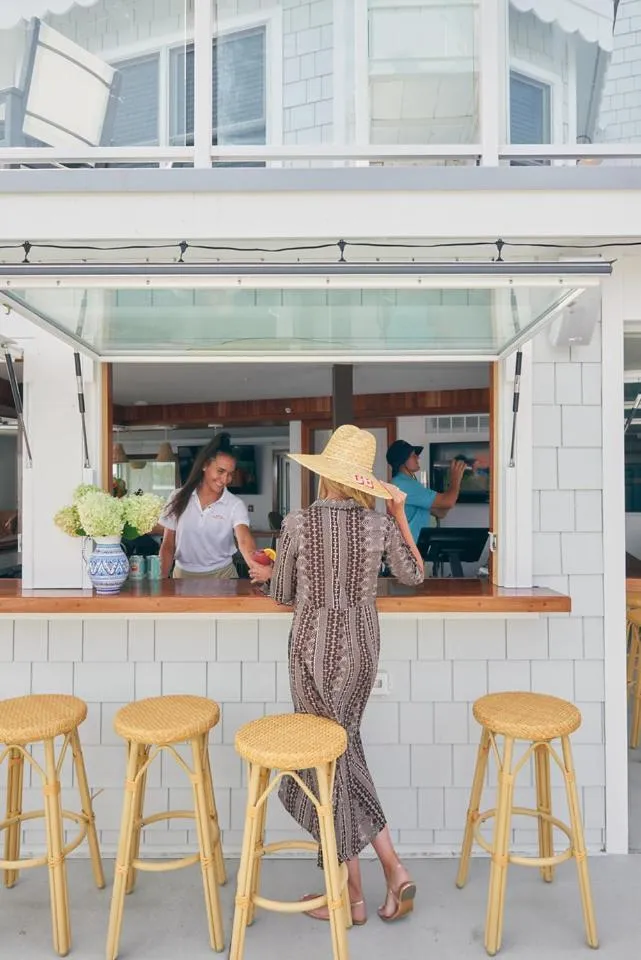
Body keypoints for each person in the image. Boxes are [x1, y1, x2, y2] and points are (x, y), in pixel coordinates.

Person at [248, 424, 424, 925]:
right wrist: (397, 515)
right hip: (363, 652)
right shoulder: (378, 526)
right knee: (342, 752)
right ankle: (383, 874)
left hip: (311, 652)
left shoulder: (299, 525)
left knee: (326, 763)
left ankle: (353, 894)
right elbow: (414, 574)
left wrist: (267, 574)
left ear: (325, 477)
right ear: (361, 483)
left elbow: (282, 594)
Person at [159, 434, 258, 579]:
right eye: (220, 471)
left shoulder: (235, 504)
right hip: (182, 577)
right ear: (205, 465)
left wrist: (257, 567)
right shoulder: (177, 497)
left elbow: (244, 540)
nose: (225, 479)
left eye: (230, 474)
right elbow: (168, 545)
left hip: (224, 576)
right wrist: (161, 579)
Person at [385, 439, 466, 545]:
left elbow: (440, 512)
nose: (418, 458)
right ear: (403, 461)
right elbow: (448, 502)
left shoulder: (407, 483)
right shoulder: (404, 485)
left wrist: (447, 487)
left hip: (412, 548)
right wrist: (456, 478)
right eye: (413, 455)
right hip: (407, 550)